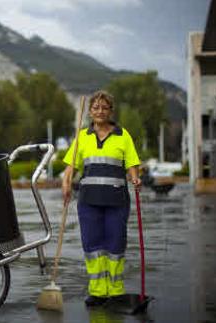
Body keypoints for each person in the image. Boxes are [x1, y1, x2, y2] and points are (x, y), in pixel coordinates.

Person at [62, 90, 141, 307]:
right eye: (96, 107)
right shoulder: (82, 137)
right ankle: (97, 291)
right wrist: (66, 183)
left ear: (110, 111)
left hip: (117, 201)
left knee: (115, 244)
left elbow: (131, 162)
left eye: (104, 107)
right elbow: (71, 165)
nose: (100, 111)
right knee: (92, 245)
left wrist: (135, 178)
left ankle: (115, 291)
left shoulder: (122, 135)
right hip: (89, 202)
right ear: (90, 111)